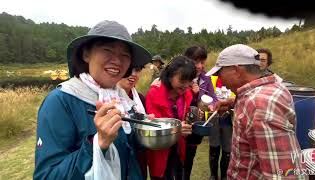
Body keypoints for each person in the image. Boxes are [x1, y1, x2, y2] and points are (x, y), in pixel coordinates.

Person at [33, 20, 152, 180]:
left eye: (125, 55)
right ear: (86, 54)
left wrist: (144, 133)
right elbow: (47, 176)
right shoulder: (60, 101)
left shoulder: (121, 98)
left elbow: (126, 151)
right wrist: (96, 144)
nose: (117, 60)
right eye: (107, 50)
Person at [206, 44, 306, 179]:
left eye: (220, 73)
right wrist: (232, 103)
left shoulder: (259, 106)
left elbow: (284, 174)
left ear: (236, 70)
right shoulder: (271, 88)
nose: (220, 80)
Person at [145, 56, 195, 180]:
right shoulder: (154, 94)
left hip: (178, 149)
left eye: (189, 81)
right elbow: (153, 128)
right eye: (182, 80)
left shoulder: (186, 94)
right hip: (160, 152)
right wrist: (177, 129)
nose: (186, 85)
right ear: (170, 75)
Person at [183, 45, 218, 180]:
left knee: (191, 154)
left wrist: (213, 105)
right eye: (195, 62)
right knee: (179, 156)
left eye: (202, 62)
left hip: (197, 124)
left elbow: (213, 97)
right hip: (183, 122)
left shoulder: (206, 78)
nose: (199, 66)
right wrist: (192, 92)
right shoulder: (181, 77)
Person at [117, 66, 147, 180]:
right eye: (129, 69)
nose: (133, 74)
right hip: (119, 160)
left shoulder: (140, 99)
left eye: (137, 70)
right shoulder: (107, 99)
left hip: (140, 157)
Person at [208, 75, 234, 180]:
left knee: (227, 147)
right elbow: (205, 96)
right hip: (213, 117)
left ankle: (224, 175)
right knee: (214, 145)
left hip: (228, 118)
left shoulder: (234, 80)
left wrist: (226, 104)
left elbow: (237, 97)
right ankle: (213, 174)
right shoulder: (211, 79)